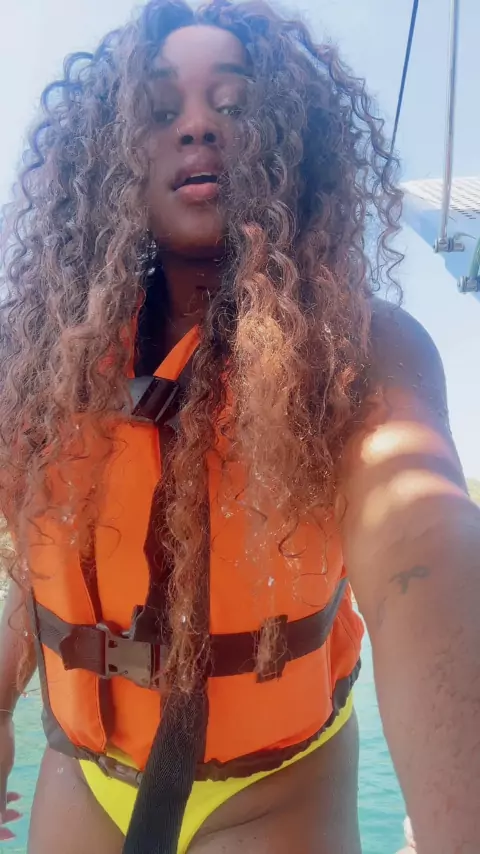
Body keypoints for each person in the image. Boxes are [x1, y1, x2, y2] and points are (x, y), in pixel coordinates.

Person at [0, 1, 479, 852]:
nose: (197, 126)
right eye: (160, 110)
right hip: (82, 774)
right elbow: (48, 562)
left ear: (295, 147)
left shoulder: (365, 352)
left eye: (233, 105)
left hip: (278, 786)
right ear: (110, 156)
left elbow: (424, 551)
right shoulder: (36, 356)